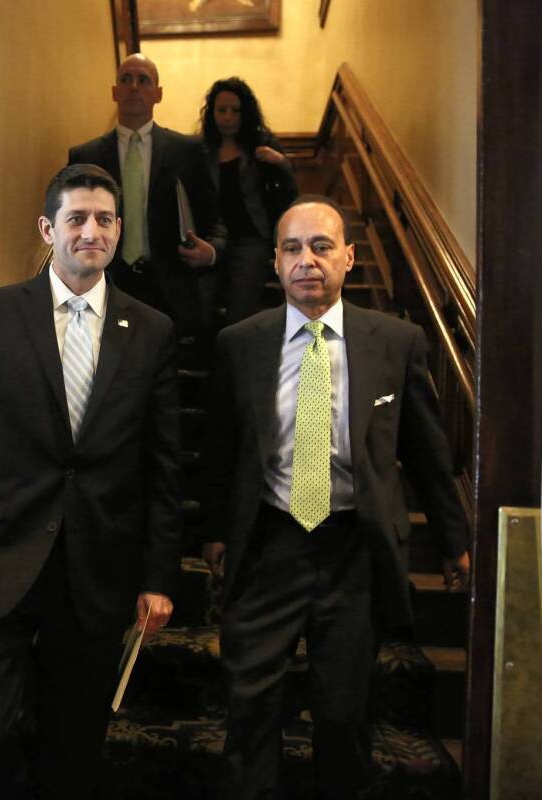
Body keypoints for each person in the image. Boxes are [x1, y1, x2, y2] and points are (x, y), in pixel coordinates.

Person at [0, 164, 182, 799]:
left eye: (105, 220)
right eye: (77, 219)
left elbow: (164, 467)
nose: (92, 231)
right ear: (48, 228)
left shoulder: (153, 331)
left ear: (119, 229)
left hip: (95, 568)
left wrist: (158, 577)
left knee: (73, 746)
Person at [201, 195, 470, 800]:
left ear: (348, 257)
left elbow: (430, 454)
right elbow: (219, 450)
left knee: (344, 715)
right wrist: (216, 531)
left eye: (321, 246)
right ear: (274, 262)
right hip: (268, 546)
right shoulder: (239, 343)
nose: (307, 261)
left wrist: (455, 541)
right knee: (249, 711)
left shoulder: (396, 342)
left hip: (354, 550)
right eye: (292, 248)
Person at [68, 53, 225, 344]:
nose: (134, 87)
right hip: (105, 279)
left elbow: (216, 221)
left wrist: (211, 251)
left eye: (144, 80)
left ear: (158, 93)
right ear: (115, 92)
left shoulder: (187, 151)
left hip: (169, 285)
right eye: (126, 80)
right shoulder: (85, 156)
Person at [199, 77, 298, 325]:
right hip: (211, 238)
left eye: (235, 110)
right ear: (212, 113)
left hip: (251, 239)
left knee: (240, 309)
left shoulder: (262, 145)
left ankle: (234, 357)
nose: (228, 117)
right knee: (202, 304)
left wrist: (282, 164)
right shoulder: (201, 150)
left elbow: (290, 194)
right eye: (221, 110)